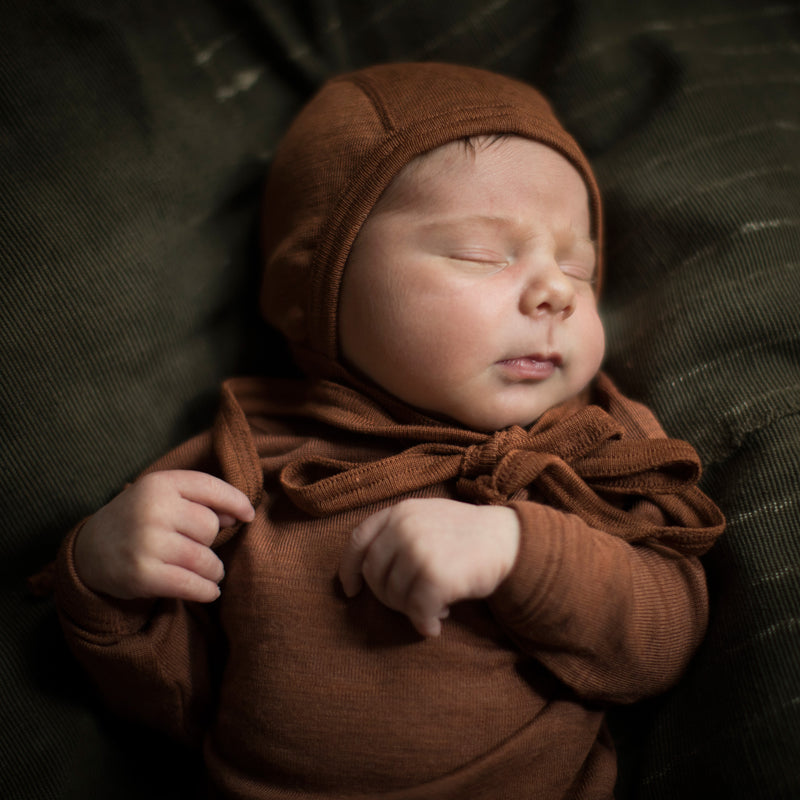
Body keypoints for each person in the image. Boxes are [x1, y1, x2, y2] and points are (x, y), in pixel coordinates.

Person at [54, 62, 725, 799]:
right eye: (482, 254)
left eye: (579, 266)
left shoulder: (588, 446)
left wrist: (520, 551)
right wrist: (107, 582)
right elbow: (179, 700)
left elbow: (661, 640)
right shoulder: (249, 463)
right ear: (322, 286)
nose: (556, 292)